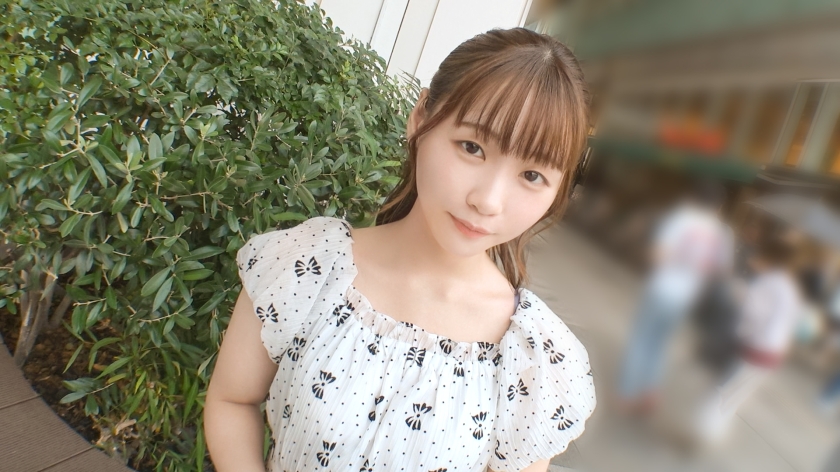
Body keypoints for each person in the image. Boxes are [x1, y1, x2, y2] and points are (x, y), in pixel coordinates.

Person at [204, 28, 596, 472]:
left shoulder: (533, 359)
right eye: (472, 147)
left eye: (532, 176)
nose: (488, 201)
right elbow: (233, 400)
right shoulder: (309, 265)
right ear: (420, 118)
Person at [617, 180, 734, 413]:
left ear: (694, 197)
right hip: (686, 297)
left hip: (661, 288)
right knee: (660, 344)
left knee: (641, 340)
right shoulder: (722, 233)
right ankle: (650, 392)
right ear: (719, 205)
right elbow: (722, 271)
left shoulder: (680, 219)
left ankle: (627, 394)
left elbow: (657, 254)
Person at [696, 236, 802, 443]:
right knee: (736, 396)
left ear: (768, 257)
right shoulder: (789, 286)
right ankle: (713, 433)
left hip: (756, 347)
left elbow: (753, 314)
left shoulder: (768, 283)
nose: (754, 259)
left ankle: (702, 432)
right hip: (773, 352)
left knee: (723, 391)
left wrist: (741, 300)